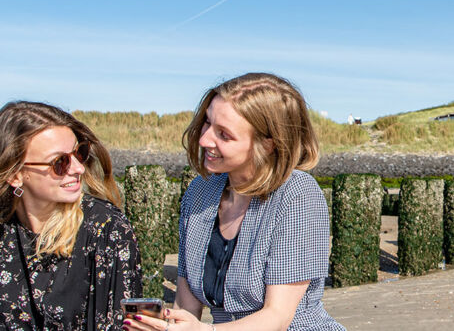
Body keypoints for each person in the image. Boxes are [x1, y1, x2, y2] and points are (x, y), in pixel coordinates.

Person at [124, 73, 344, 330]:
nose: (205, 139)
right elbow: (186, 302)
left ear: (269, 143)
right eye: (207, 123)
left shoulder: (298, 195)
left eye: (224, 135)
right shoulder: (200, 191)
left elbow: (278, 317)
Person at [0, 101, 142, 330]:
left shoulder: (106, 229)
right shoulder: (5, 231)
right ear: (15, 175)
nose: (78, 168)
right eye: (60, 162)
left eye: (80, 153)